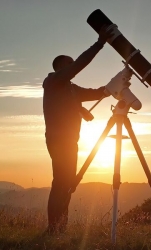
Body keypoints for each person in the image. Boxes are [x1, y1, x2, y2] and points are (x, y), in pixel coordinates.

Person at [43, 29, 109, 233]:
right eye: (69, 64)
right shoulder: (53, 81)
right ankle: (54, 227)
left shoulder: (71, 89)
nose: (73, 66)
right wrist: (99, 44)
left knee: (67, 183)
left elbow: (96, 93)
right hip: (58, 140)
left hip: (70, 141)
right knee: (61, 182)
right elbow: (79, 66)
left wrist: (115, 85)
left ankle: (60, 227)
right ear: (60, 67)